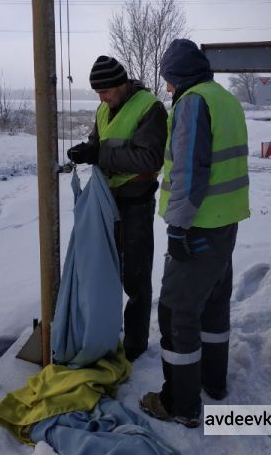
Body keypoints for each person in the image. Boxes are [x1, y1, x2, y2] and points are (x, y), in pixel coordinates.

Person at [140, 39, 250, 428]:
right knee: (214, 305)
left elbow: (189, 170)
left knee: (177, 313)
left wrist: (177, 229)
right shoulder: (226, 100)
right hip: (225, 224)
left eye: (169, 80)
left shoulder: (192, 103)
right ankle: (213, 384)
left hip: (198, 228)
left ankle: (180, 404)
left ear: (179, 75)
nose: (168, 88)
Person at [67, 55, 167, 362]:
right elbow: (100, 142)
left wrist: (100, 153)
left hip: (136, 202)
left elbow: (149, 159)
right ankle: (107, 333)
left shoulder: (150, 107)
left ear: (123, 84)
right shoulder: (103, 109)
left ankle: (135, 343)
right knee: (104, 272)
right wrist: (88, 150)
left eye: (106, 91)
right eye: (98, 92)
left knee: (135, 277)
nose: (102, 97)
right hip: (106, 202)